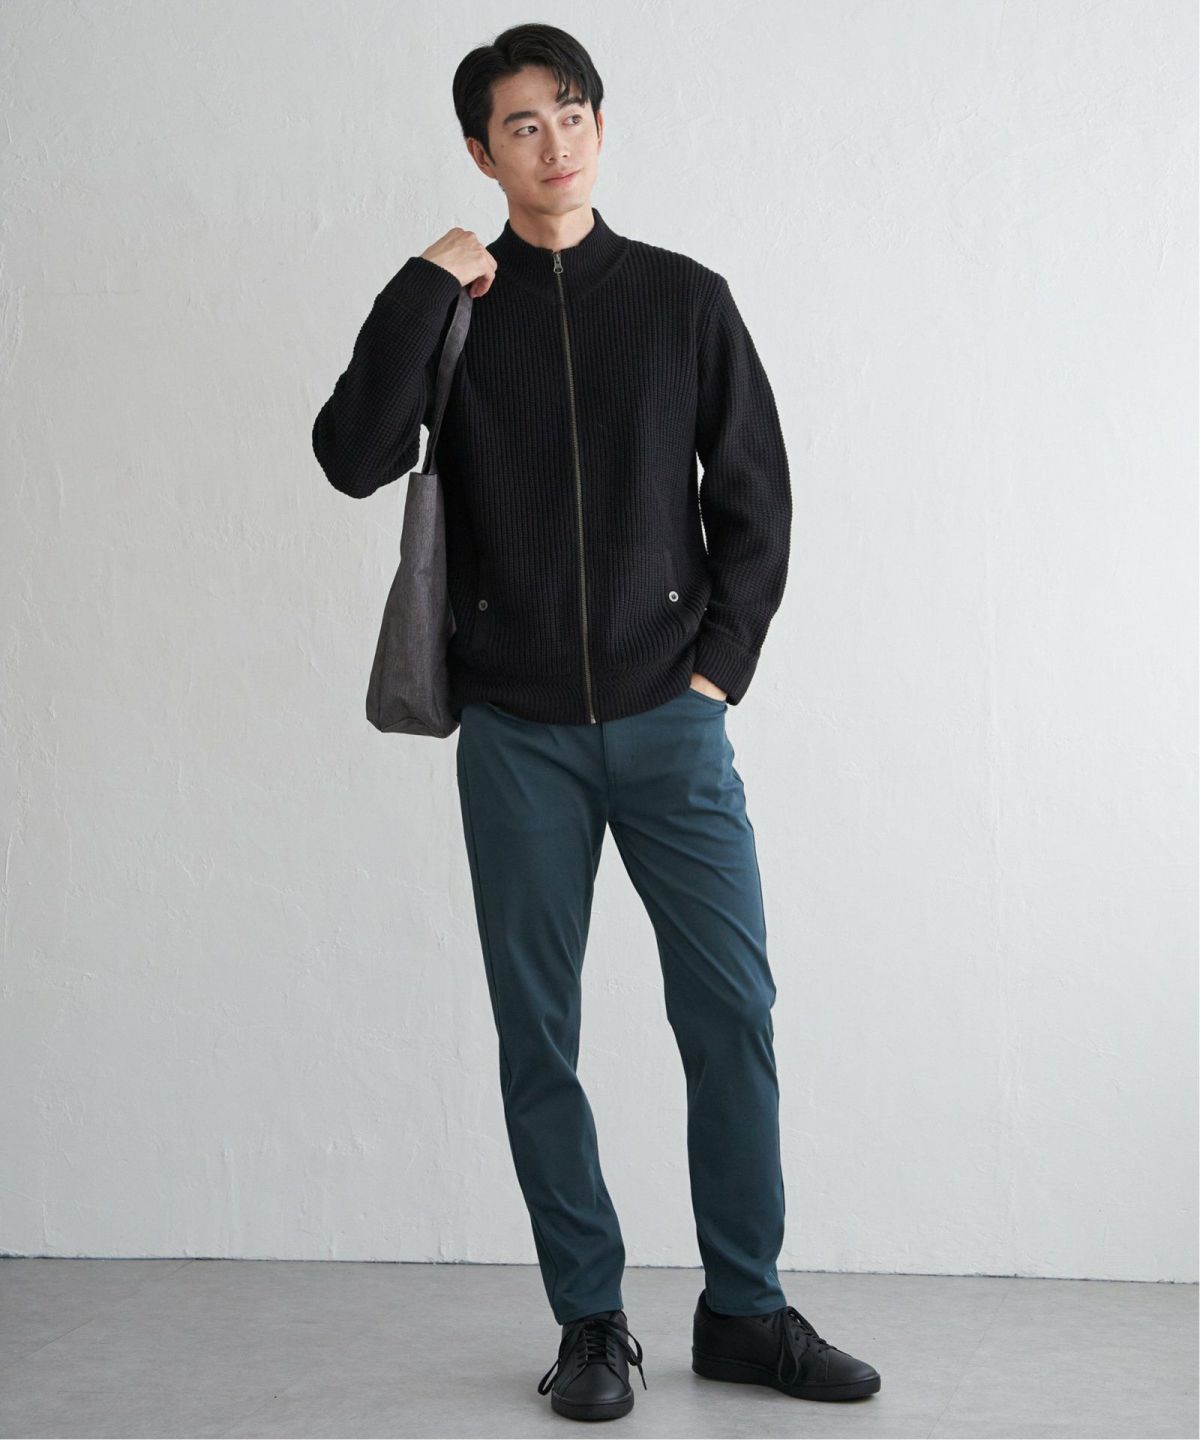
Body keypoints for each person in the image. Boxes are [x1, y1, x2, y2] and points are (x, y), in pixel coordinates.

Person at [312, 21, 880, 1423]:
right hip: (518, 734)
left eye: (572, 113)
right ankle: (588, 1320)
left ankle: (745, 1309)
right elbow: (351, 455)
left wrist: (714, 675)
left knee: (731, 1010)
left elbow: (756, 505)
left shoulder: (685, 299)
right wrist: (422, 283)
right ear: (481, 152)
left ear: (602, 126)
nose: (555, 142)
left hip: (670, 723)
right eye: (523, 123)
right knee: (538, 1036)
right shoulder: (458, 311)